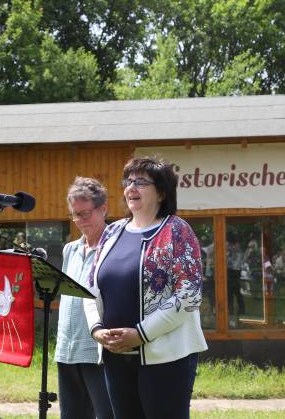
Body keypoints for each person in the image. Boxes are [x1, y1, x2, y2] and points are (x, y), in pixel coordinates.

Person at [84, 157, 208, 419]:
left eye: (140, 182)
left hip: (166, 360)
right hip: (115, 358)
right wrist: (97, 330)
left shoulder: (177, 231)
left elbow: (189, 295)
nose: (131, 188)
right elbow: (89, 288)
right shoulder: (111, 232)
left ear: (161, 193)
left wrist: (140, 334)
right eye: (128, 181)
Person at [54, 177, 113, 419]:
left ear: (103, 209)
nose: (80, 221)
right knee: (71, 415)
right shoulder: (71, 249)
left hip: (97, 351)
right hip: (67, 349)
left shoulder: (116, 246)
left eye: (85, 213)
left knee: (106, 414)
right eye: (75, 215)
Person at [226, 239, 245, 320]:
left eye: (235, 245)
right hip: (230, 273)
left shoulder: (239, 253)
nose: (233, 247)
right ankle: (231, 309)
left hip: (235, 273)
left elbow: (236, 265)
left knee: (237, 293)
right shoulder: (230, 253)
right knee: (230, 294)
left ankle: (242, 310)